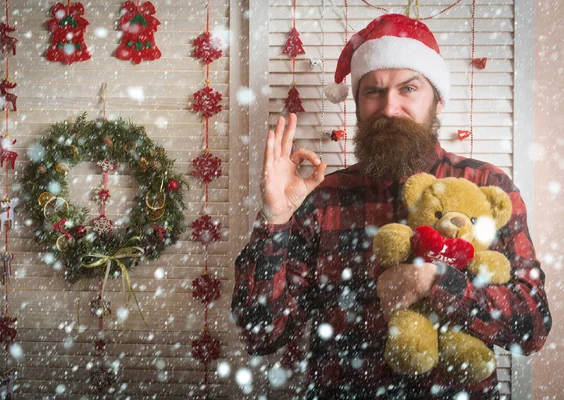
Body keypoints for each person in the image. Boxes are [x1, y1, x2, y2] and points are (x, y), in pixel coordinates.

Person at [232, 13, 551, 399]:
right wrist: (275, 219)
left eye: (408, 88)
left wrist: (439, 283)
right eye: (374, 91)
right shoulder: (322, 198)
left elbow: (532, 327)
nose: (389, 107)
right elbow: (261, 333)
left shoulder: (487, 188)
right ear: (358, 102)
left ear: (436, 99)